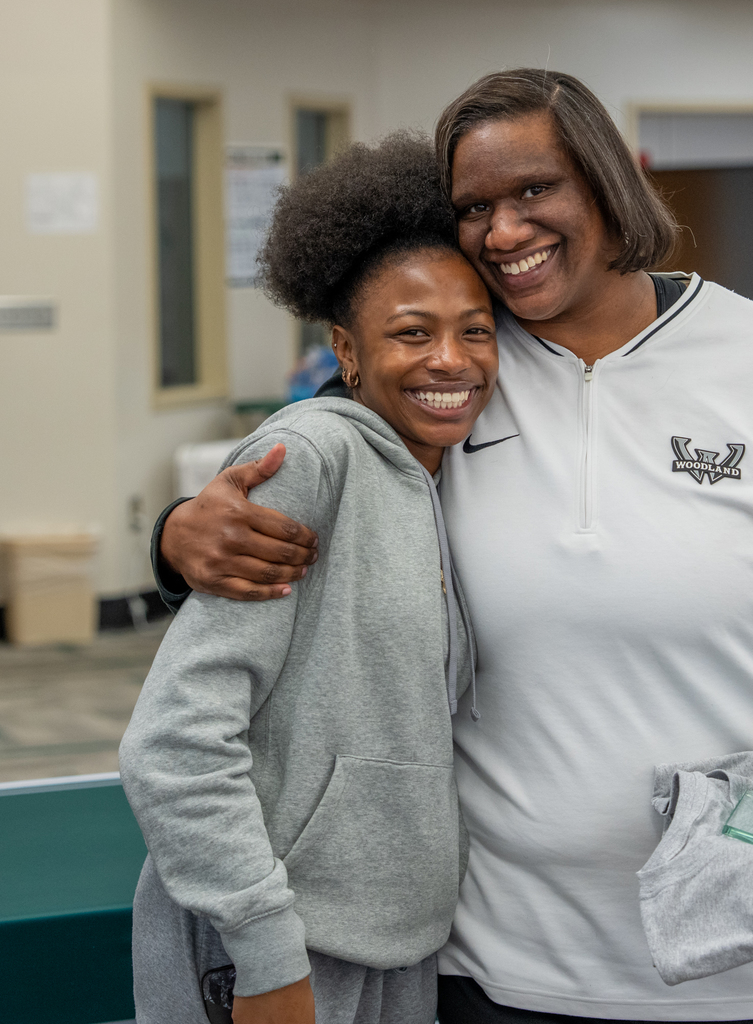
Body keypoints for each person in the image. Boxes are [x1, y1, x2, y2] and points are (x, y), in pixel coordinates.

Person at [151, 71, 753, 1023]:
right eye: (474, 208)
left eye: (534, 191)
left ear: (607, 184)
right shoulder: (449, 374)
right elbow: (287, 482)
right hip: (514, 968)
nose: (503, 232)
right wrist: (177, 534)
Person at [120, 132, 497, 1024]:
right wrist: (264, 951)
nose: (451, 360)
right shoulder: (308, 458)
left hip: (399, 943)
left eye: (474, 330)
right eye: (412, 332)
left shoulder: (451, 470)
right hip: (275, 952)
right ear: (347, 348)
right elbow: (173, 747)